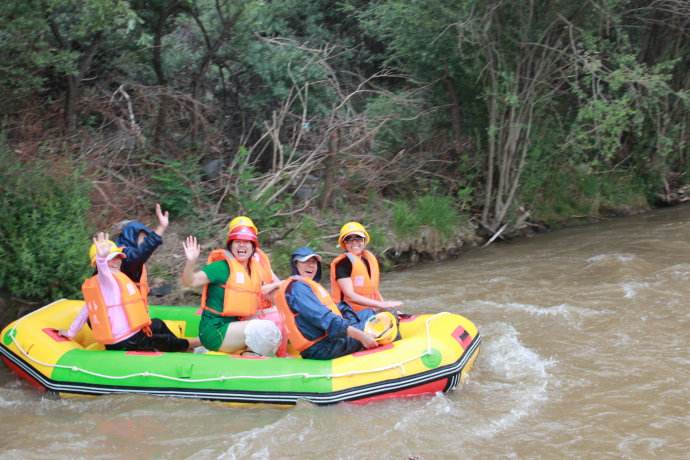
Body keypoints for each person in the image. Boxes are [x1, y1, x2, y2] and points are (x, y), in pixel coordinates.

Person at [62, 232, 199, 352]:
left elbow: (85, 311)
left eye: (118, 257)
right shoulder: (107, 280)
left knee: (157, 324)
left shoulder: (105, 283)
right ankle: (197, 343)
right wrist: (101, 259)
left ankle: (182, 350)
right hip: (123, 340)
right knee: (161, 340)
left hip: (132, 334)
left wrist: (71, 332)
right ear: (100, 264)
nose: (117, 261)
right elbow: (103, 270)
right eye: (112, 259)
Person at [181, 225, 282, 356]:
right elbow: (190, 281)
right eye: (238, 242)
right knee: (266, 329)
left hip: (234, 329)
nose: (242, 246)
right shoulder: (221, 267)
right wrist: (191, 262)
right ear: (231, 246)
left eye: (246, 242)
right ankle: (247, 359)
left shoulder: (255, 271)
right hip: (214, 330)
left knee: (274, 333)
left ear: (253, 248)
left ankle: (205, 351)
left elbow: (271, 297)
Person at [274, 247, 379, 360]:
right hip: (322, 348)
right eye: (305, 262)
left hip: (328, 339)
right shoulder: (298, 289)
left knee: (368, 313)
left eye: (313, 262)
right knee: (381, 323)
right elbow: (326, 320)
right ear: (295, 264)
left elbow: (332, 311)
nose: (311, 266)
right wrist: (362, 337)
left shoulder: (303, 285)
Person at [330, 221, 403, 312]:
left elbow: (373, 291)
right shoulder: (343, 264)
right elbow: (350, 295)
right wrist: (381, 305)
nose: (354, 242)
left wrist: (386, 307)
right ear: (344, 243)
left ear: (364, 241)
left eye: (358, 238)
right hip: (347, 314)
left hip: (367, 311)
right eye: (349, 239)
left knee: (395, 314)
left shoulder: (366, 260)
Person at [113, 203, 170, 304]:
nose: (145, 241)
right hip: (123, 314)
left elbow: (131, 284)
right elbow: (138, 255)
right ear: (130, 237)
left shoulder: (130, 259)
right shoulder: (121, 256)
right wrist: (161, 228)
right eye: (143, 238)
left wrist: (151, 291)